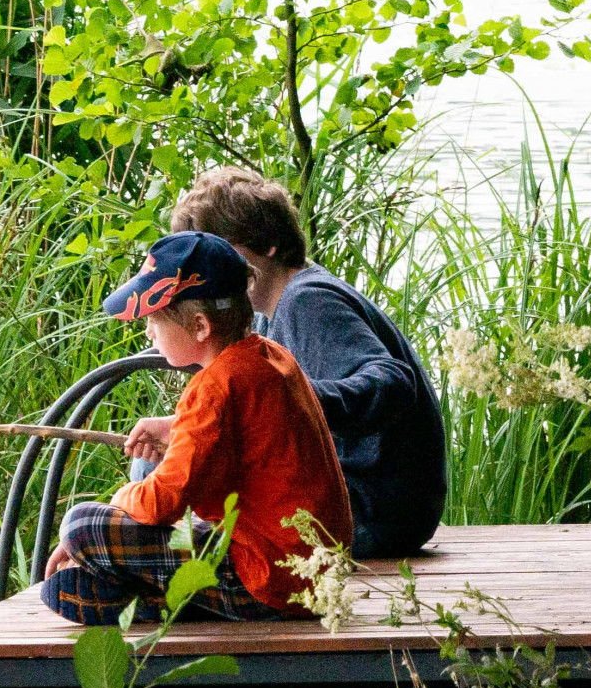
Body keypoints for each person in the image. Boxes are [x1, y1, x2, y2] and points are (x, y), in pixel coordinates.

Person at [126, 168, 447, 559]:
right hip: (363, 502)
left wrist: (288, 400)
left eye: (224, 250)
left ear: (269, 244)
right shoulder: (262, 312)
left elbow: (393, 383)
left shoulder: (306, 300)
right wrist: (187, 426)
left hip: (375, 509)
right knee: (166, 461)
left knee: (160, 478)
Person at [41, 231, 354, 625]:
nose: (148, 332)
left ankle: (158, 600)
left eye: (154, 319)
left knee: (82, 525)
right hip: (313, 575)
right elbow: (250, 437)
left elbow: (163, 502)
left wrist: (119, 500)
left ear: (201, 326)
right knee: (61, 587)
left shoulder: (214, 387)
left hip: (267, 581)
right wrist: (177, 428)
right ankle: (163, 599)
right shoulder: (271, 357)